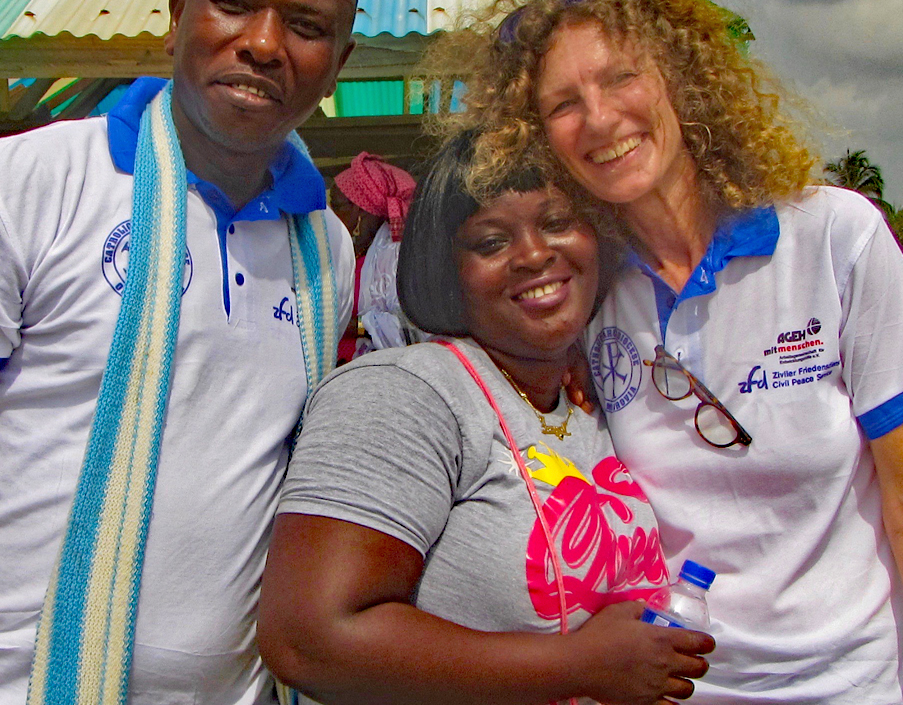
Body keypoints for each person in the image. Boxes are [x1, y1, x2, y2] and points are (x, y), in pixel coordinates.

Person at [0, 0, 358, 702]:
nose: (263, 42)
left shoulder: (324, 250)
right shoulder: (19, 188)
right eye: (233, 2)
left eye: (305, 24)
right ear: (175, 16)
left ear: (341, 60)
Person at [441, 0, 903, 704]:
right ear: (538, 137)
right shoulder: (582, 292)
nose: (598, 119)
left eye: (620, 77)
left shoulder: (833, 238)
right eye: (563, 104)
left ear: (681, 82)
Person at [259, 132, 714, 705]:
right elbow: (310, 639)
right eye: (492, 241)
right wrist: (576, 666)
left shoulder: (583, 400)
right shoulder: (407, 393)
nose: (532, 254)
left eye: (557, 223)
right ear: (447, 271)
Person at [328, 151, 425, 362]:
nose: (330, 214)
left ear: (360, 209)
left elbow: (406, 328)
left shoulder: (394, 255)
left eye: (335, 205)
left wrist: (345, 326)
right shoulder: (357, 250)